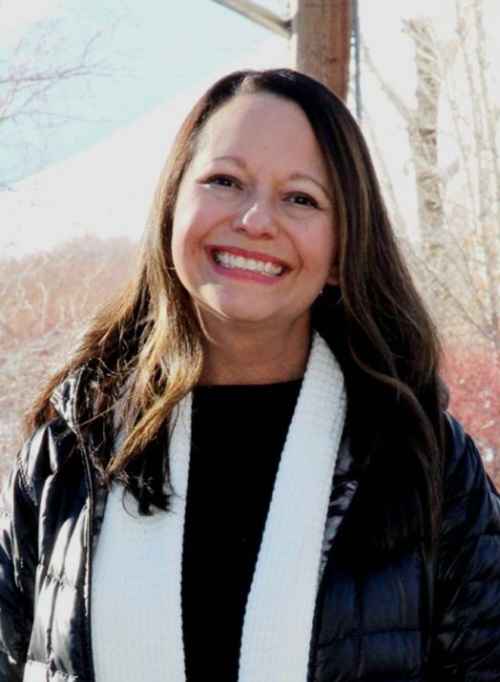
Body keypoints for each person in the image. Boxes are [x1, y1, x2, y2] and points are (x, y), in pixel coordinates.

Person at [1, 68, 499, 682]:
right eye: (224, 181)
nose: (256, 220)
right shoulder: (72, 447)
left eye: (300, 198)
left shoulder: (424, 460)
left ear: (343, 251)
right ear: (171, 208)